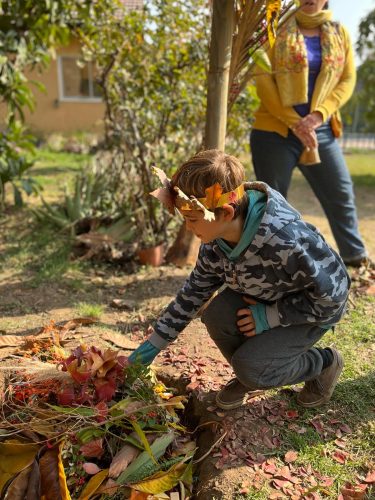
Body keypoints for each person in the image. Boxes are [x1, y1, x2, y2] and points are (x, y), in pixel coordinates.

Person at [129, 149, 350, 411]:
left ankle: (322, 363)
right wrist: (152, 346)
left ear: (225, 213)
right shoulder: (214, 243)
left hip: (306, 312)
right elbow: (193, 294)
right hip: (262, 298)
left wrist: (271, 316)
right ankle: (252, 372)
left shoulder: (286, 240)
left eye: (191, 219)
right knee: (216, 316)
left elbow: (333, 296)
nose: (188, 228)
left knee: (253, 368)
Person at [250, 0, 369, 268]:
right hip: (274, 131)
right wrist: (296, 123)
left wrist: (317, 116)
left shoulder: (339, 31)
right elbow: (262, 79)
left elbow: (347, 79)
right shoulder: (273, 27)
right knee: (272, 204)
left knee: (341, 193)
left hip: (321, 128)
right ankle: (271, 265)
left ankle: (355, 257)